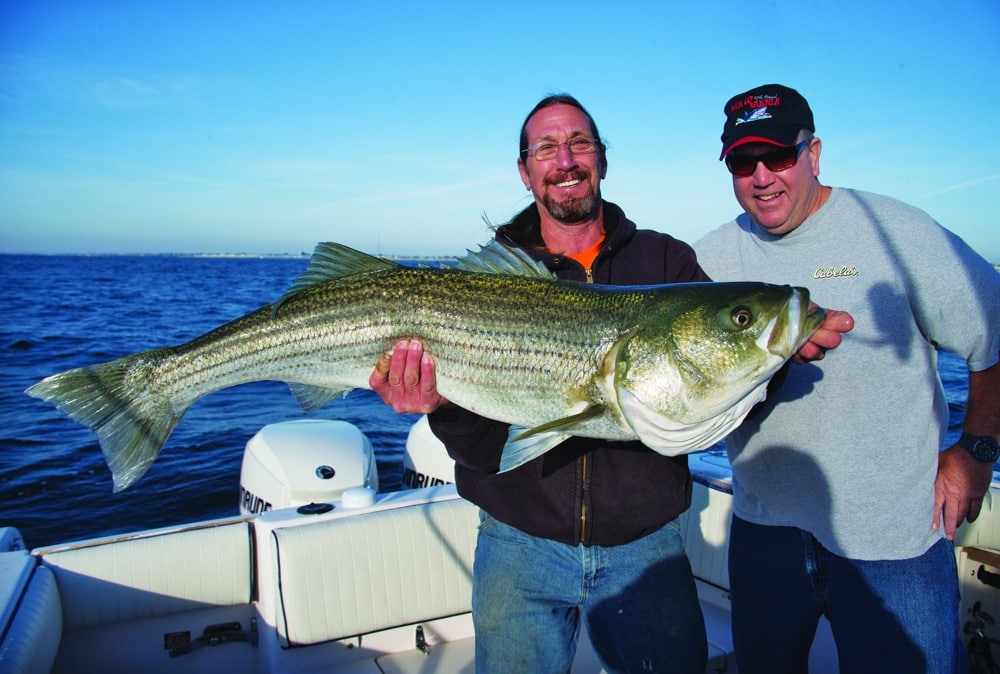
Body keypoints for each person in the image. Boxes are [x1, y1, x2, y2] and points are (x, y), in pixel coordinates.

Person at [370, 93, 846, 673]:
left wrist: (778, 358)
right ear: (525, 172)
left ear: (602, 159)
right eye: (546, 148)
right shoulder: (490, 275)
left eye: (580, 144)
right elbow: (481, 449)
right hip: (517, 546)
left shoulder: (667, 264)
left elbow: (708, 390)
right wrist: (437, 404)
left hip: (646, 551)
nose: (565, 160)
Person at [695, 83, 1000, 673]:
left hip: (894, 541)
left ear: (814, 154)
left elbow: (995, 335)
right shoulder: (709, 259)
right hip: (763, 529)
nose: (762, 176)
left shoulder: (898, 231)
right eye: (742, 161)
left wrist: (977, 452)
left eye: (779, 156)